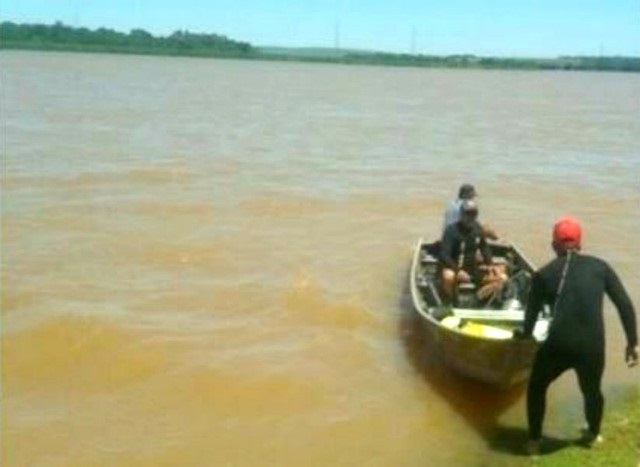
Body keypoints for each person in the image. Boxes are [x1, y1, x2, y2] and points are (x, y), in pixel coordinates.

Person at [518, 216, 638, 455]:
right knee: (591, 389)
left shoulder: (543, 274)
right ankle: (593, 434)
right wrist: (632, 342)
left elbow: (530, 316)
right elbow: (624, 304)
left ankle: (533, 441)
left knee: (537, 386)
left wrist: (526, 337)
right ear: (580, 244)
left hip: (559, 344)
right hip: (592, 345)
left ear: (554, 245)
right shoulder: (600, 267)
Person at [439, 199, 504, 301]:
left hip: (473, 269)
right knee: (448, 277)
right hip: (454, 267)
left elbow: (484, 247)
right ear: (461, 214)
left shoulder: (477, 228)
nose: (470, 217)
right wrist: (458, 271)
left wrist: (491, 264)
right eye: (467, 214)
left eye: (473, 214)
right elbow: (444, 255)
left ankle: (477, 298)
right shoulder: (451, 230)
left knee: (502, 278)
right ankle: (451, 301)